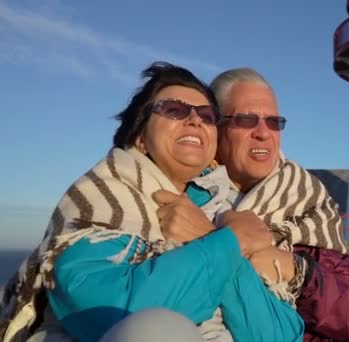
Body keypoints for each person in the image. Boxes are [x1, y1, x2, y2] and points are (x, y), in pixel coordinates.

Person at [0, 62, 303, 342]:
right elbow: (117, 313)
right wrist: (229, 244)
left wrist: (211, 239)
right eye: (174, 110)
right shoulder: (103, 201)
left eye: (207, 115)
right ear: (140, 137)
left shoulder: (216, 211)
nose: (195, 119)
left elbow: (281, 333)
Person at [210, 68, 349, 341]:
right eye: (246, 119)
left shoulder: (308, 202)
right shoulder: (184, 197)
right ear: (215, 128)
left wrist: (297, 271)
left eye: (273, 121)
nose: (263, 133)